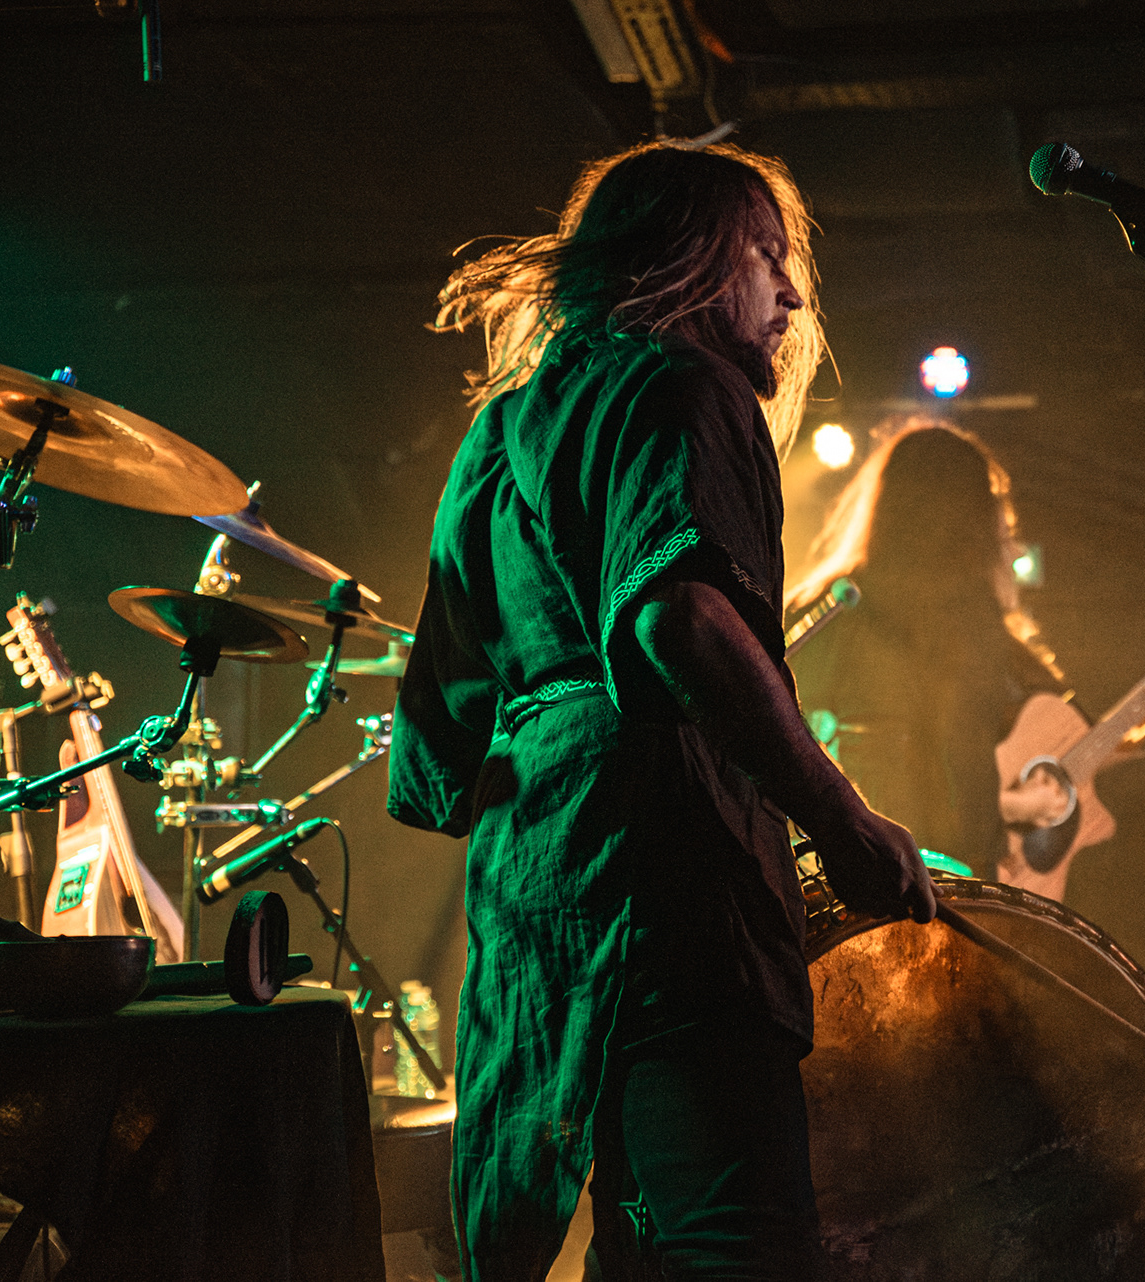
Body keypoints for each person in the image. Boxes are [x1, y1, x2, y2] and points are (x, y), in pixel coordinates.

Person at [387, 141, 936, 1281]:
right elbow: (677, 619)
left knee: (635, 1243)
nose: (790, 295)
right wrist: (841, 822)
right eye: (767, 256)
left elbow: (441, 728)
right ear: (690, 259)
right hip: (669, 876)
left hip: (534, 890)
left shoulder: (496, 434)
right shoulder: (685, 385)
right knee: (740, 1242)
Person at [785, 420, 1145, 898]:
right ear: (971, 521)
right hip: (949, 894)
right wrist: (1017, 809)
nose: (1011, 543)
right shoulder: (971, 631)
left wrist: (1126, 746)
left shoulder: (830, 610)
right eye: (998, 515)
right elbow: (954, 802)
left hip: (833, 888)